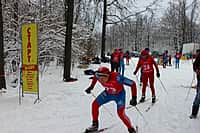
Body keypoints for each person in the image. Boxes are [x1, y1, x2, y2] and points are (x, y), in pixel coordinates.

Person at [84, 67, 137, 133]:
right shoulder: (98, 76)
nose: (101, 80)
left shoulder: (117, 77)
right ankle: (95, 125)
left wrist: (134, 98)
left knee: (121, 114)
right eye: (100, 78)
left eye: (104, 77)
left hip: (119, 95)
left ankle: (131, 129)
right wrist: (91, 87)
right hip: (108, 93)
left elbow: (132, 84)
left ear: (108, 75)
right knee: (95, 104)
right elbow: (95, 77)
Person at [190, 49, 200, 119]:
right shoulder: (198, 58)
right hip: (199, 79)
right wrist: (196, 69)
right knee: (198, 97)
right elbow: (194, 65)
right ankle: (194, 113)